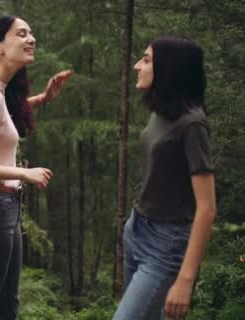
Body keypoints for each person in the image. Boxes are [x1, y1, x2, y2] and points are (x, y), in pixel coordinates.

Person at [0, 15, 73, 320]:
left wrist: (43, 98)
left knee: (7, 307)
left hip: (2, 207)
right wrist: (23, 173)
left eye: (31, 33)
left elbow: (4, 118)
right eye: (21, 34)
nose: (31, 39)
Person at [113, 37, 216, 320]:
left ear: (169, 68)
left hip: (166, 244)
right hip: (136, 230)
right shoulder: (161, 112)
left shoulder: (192, 124)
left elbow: (206, 208)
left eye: (146, 60)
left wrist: (185, 280)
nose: (137, 66)